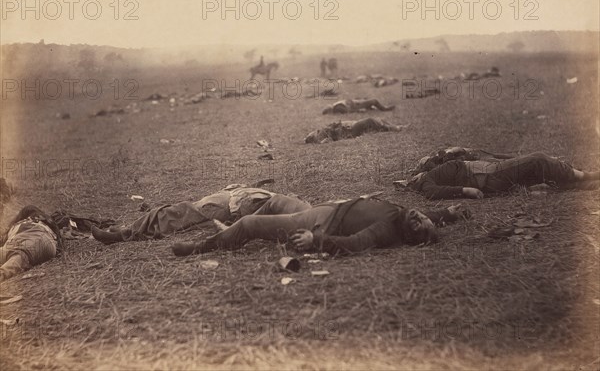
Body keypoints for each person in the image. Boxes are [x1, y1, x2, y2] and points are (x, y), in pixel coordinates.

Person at [172, 198, 470, 256]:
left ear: (410, 236)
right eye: (423, 217)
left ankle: (203, 247)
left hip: (318, 221)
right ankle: (230, 229)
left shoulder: (387, 230)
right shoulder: (408, 217)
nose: (419, 216)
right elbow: (425, 216)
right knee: (275, 199)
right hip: (326, 206)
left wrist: (316, 241)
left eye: (419, 223)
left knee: (250, 223)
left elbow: (354, 243)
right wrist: (448, 212)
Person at [91, 186, 311, 244]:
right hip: (234, 199)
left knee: (176, 213)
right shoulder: (301, 210)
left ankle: (123, 234)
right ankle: (125, 231)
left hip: (230, 205)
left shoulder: (300, 215)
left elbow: (259, 217)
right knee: (179, 213)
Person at [408, 152, 600, 199]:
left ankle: (583, 185)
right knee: (538, 159)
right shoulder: (425, 182)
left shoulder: (433, 171)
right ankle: (587, 176)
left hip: (488, 172)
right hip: (488, 176)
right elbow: (433, 192)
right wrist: (466, 190)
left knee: (537, 173)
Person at [0, 205, 62, 282]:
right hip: (43, 240)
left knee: (21, 254)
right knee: (20, 254)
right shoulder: (45, 222)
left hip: (34, 237)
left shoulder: (24, 222)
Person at [410, 146, 514, 176]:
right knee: (496, 160)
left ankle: (516, 157)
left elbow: (456, 149)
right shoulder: (438, 167)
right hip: (471, 160)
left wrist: (453, 151)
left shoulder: (440, 156)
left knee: (495, 157)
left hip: (470, 155)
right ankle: (516, 158)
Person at [305, 118, 405, 144]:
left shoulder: (321, 131)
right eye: (313, 134)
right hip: (350, 131)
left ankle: (394, 126)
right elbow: (328, 139)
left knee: (378, 120)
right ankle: (394, 128)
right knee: (369, 120)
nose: (315, 131)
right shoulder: (321, 135)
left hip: (351, 126)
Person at [322, 99, 395, 115]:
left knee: (369, 102)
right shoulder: (337, 107)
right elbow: (348, 111)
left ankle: (371, 108)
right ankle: (385, 109)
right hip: (357, 106)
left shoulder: (336, 106)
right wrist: (359, 111)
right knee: (374, 101)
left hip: (356, 103)